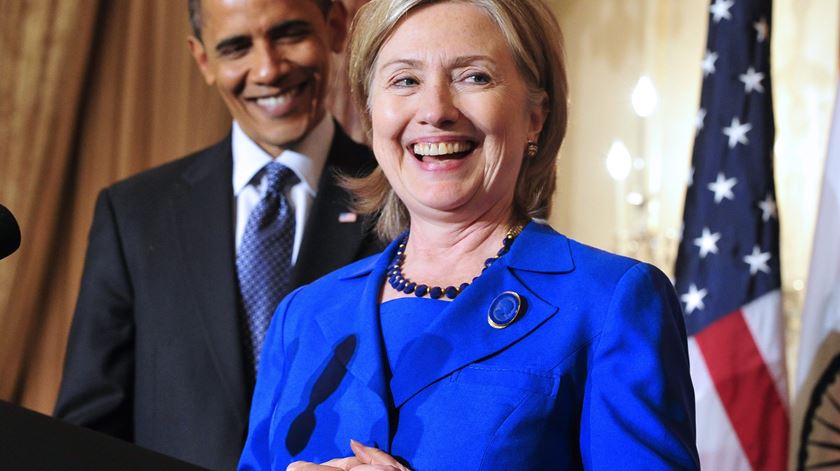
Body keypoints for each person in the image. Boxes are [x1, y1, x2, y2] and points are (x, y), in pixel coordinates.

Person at [239, 0, 700, 469]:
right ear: (372, 112)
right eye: (405, 80)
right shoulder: (301, 316)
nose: (435, 110)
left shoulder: (609, 302)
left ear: (535, 114)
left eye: (474, 76)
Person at [54, 0, 381, 469]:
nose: (267, 69)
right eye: (236, 47)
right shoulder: (134, 214)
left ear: (334, 28)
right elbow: (84, 433)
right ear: (203, 59)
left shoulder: (401, 197)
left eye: (289, 34)